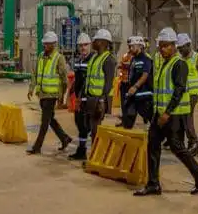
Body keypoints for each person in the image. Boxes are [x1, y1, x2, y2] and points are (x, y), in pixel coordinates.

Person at [134, 28, 198, 196]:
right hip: (159, 114)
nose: (162, 49)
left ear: (174, 46)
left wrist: (167, 113)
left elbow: (179, 90)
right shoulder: (164, 64)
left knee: (177, 147)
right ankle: (153, 184)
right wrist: (157, 112)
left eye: (166, 46)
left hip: (174, 115)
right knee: (153, 145)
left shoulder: (179, 64)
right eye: (161, 46)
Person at [70, 29, 116, 160]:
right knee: (87, 126)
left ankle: (97, 158)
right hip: (90, 98)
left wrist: (102, 101)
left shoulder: (109, 60)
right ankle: (90, 155)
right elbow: (88, 80)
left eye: (95, 41)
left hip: (98, 100)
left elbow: (108, 83)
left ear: (103, 42)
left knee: (95, 130)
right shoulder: (96, 57)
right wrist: (80, 97)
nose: (93, 43)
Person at [26, 31, 73, 154]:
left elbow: (64, 79)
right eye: (44, 44)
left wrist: (61, 96)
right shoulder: (41, 56)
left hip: (51, 95)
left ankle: (37, 146)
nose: (45, 46)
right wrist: (31, 88)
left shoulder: (59, 58)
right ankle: (65, 138)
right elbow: (35, 73)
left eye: (47, 44)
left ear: (53, 44)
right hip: (42, 94)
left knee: (44, 122)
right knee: (50, 119)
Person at [176, 33, 198, 156]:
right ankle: (190, 142)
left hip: (193, 92)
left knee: (187, 116)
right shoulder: (180, 58)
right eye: (179, 48)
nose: (180, 50)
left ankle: (194, 141)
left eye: (182, 47)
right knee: (183, 116)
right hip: (184, 92)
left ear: (188, 45)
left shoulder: (197, 57)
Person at [121, 36, 154, 129]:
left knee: (151, 118)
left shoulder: (146, 59)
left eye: (132, 46)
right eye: (129, 46)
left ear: (140, 46)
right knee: (128, 118)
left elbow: (145, 74)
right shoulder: (133, 59)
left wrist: (135, 86)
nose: (130, 49)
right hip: (134, 95)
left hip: (144, 95)